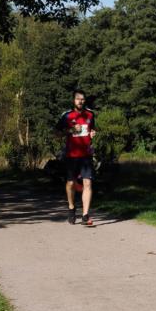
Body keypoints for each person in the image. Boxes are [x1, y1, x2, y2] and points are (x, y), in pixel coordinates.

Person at [56, 88, 96, 226]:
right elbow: (56, 134)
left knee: (87, 183)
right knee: (71, 183)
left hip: (86, 155)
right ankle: (72, 208)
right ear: (73, 100)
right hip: (71, 155)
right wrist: (71, 130)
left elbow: (92, 129)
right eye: (78, 99)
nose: (81, 101)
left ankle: (85, 215)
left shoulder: (90, 115)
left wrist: (92, 134)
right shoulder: (67, 115)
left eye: (83, 99)